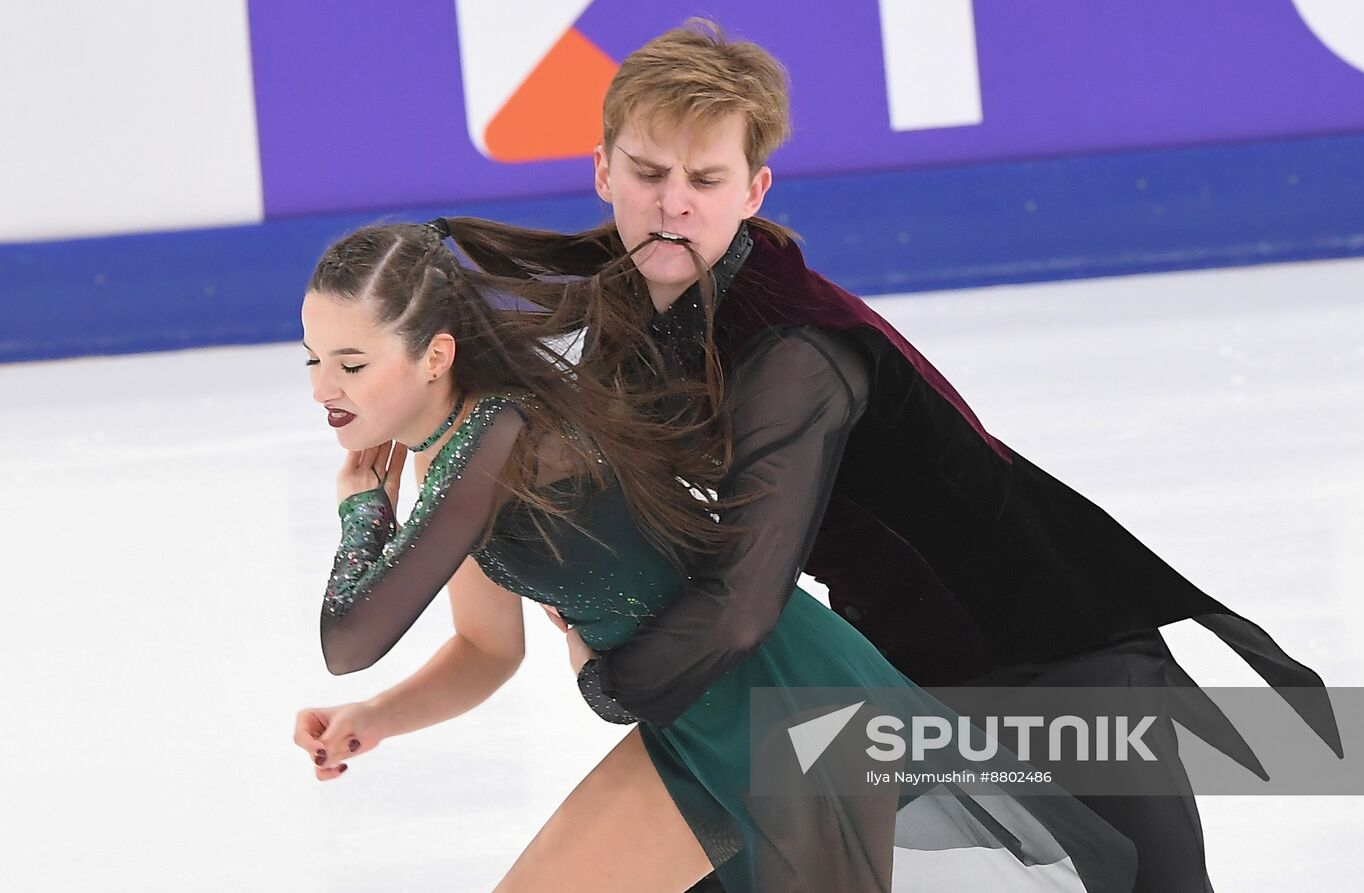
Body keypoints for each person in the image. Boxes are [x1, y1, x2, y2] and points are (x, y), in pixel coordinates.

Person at [436, 20, 1343, 893]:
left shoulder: (795, 353)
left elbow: (743, 603)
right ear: (603, 171)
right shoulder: (637, 305)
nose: (673, 201)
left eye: (704, 179)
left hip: (1061, 650)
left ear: (752, 192)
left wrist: (612, 681)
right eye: (649, 172)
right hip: (903, 660)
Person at [292, 220, 1141, 891]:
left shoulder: (494, 436)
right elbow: (486, 647)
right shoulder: (458, 453)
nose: (325, 389)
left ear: (434, 354)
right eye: (315, 360)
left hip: (777, 702)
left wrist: (362, 513)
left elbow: (349, 637)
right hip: (701, 715)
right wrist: (378, 717)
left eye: (352, 362)